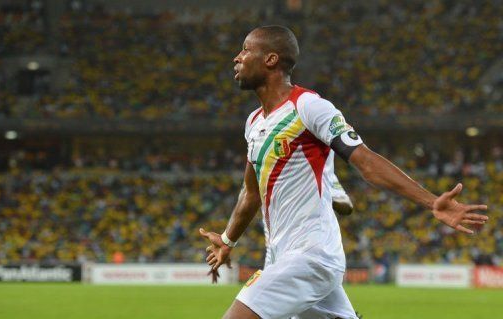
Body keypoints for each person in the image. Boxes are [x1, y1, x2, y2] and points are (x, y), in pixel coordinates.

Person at [199, 25, 488, 319]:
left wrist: (430, 201)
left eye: (246, 49)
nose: (238, 57)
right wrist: (227, 240)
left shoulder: (308, 106)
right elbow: (251, 192)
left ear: (271, 59)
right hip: (281, 256)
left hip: (311, 255)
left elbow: (365, 160)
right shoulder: (254, 122)